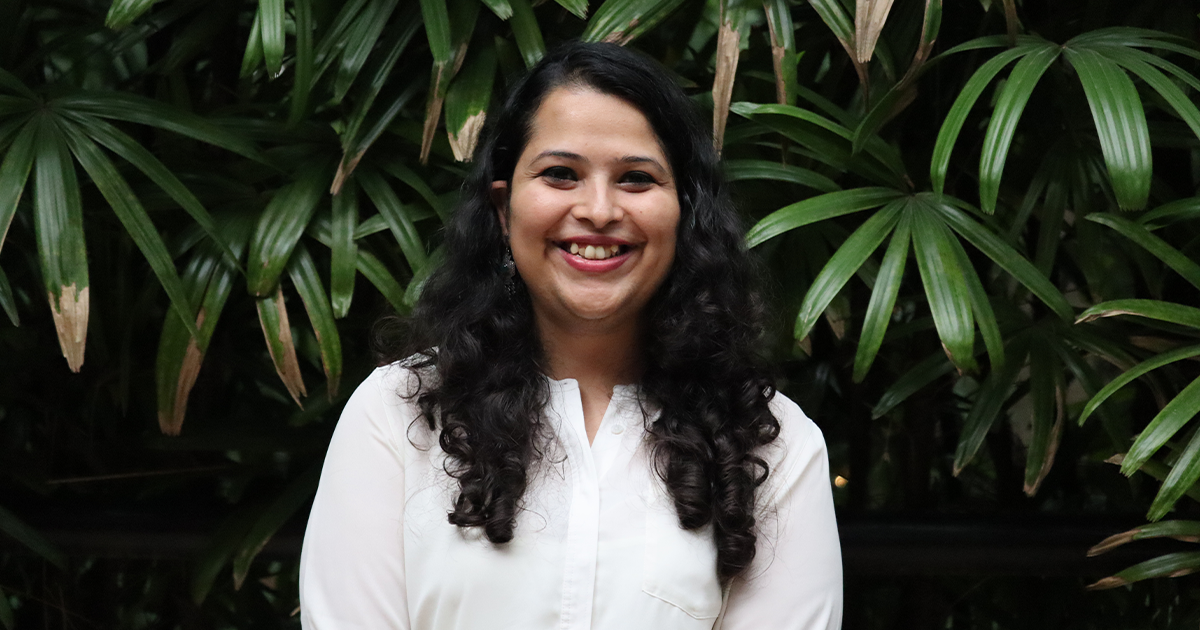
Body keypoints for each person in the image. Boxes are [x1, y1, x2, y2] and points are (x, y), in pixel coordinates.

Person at [298, 41, 842, 630]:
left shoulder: (772, 444)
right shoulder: (399, 415)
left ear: (684, 212)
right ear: (504, 211)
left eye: (636, 178)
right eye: (561, 174)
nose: (599, 209)